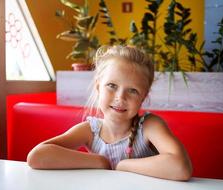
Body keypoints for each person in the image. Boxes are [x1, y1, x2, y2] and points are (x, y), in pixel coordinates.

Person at [27, 45, 192, 181]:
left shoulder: (149, 126)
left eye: (133, 90)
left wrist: (122, 166)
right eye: (112, 86)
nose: (120, 97)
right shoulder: (90, 131)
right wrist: (99, 161)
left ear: (143, 97)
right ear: (98, 87)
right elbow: (36, 156)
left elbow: (181, 167)